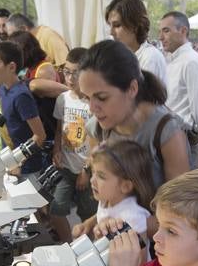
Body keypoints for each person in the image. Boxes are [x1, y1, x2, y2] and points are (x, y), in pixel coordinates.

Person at [78, 39, 190, 194]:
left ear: (132, 89)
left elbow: (177, 205)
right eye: (86, 98)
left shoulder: (167, 132)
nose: (92, 108)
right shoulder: (96, 128)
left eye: (102, 97)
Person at [49, 47, 97, 243]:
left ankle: (91, 252)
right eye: (66, 71)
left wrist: (86, 169)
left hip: (88, 167)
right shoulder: (63, 99)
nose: (69, 78)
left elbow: (99, 142)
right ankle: (68, 244)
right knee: (56, 208)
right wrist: (57, 149)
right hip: (66, 166)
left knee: (89, 216)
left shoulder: (93, 102)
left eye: (75, 73)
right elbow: (60, 127)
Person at [0, 41, 46, 177]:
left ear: (11, 67)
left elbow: (40, 136)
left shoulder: (21, 96)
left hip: (29, 168)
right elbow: (9, 122)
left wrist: (17, 162)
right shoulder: (2, 90)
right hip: (12, 161)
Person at [158, 11, 198, 133]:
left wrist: (190, 134)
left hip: (184, 137)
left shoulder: (191, 62)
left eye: (166, 31)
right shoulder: (171, 60)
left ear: (183, 31)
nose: (160, 37)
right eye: (160, 31)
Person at [105, 0, 167, 83]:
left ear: (135, 25)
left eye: (117, 25)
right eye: (110, 25)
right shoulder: (119, 57)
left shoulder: (150, 57)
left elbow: (141, 95)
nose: (111, 32)